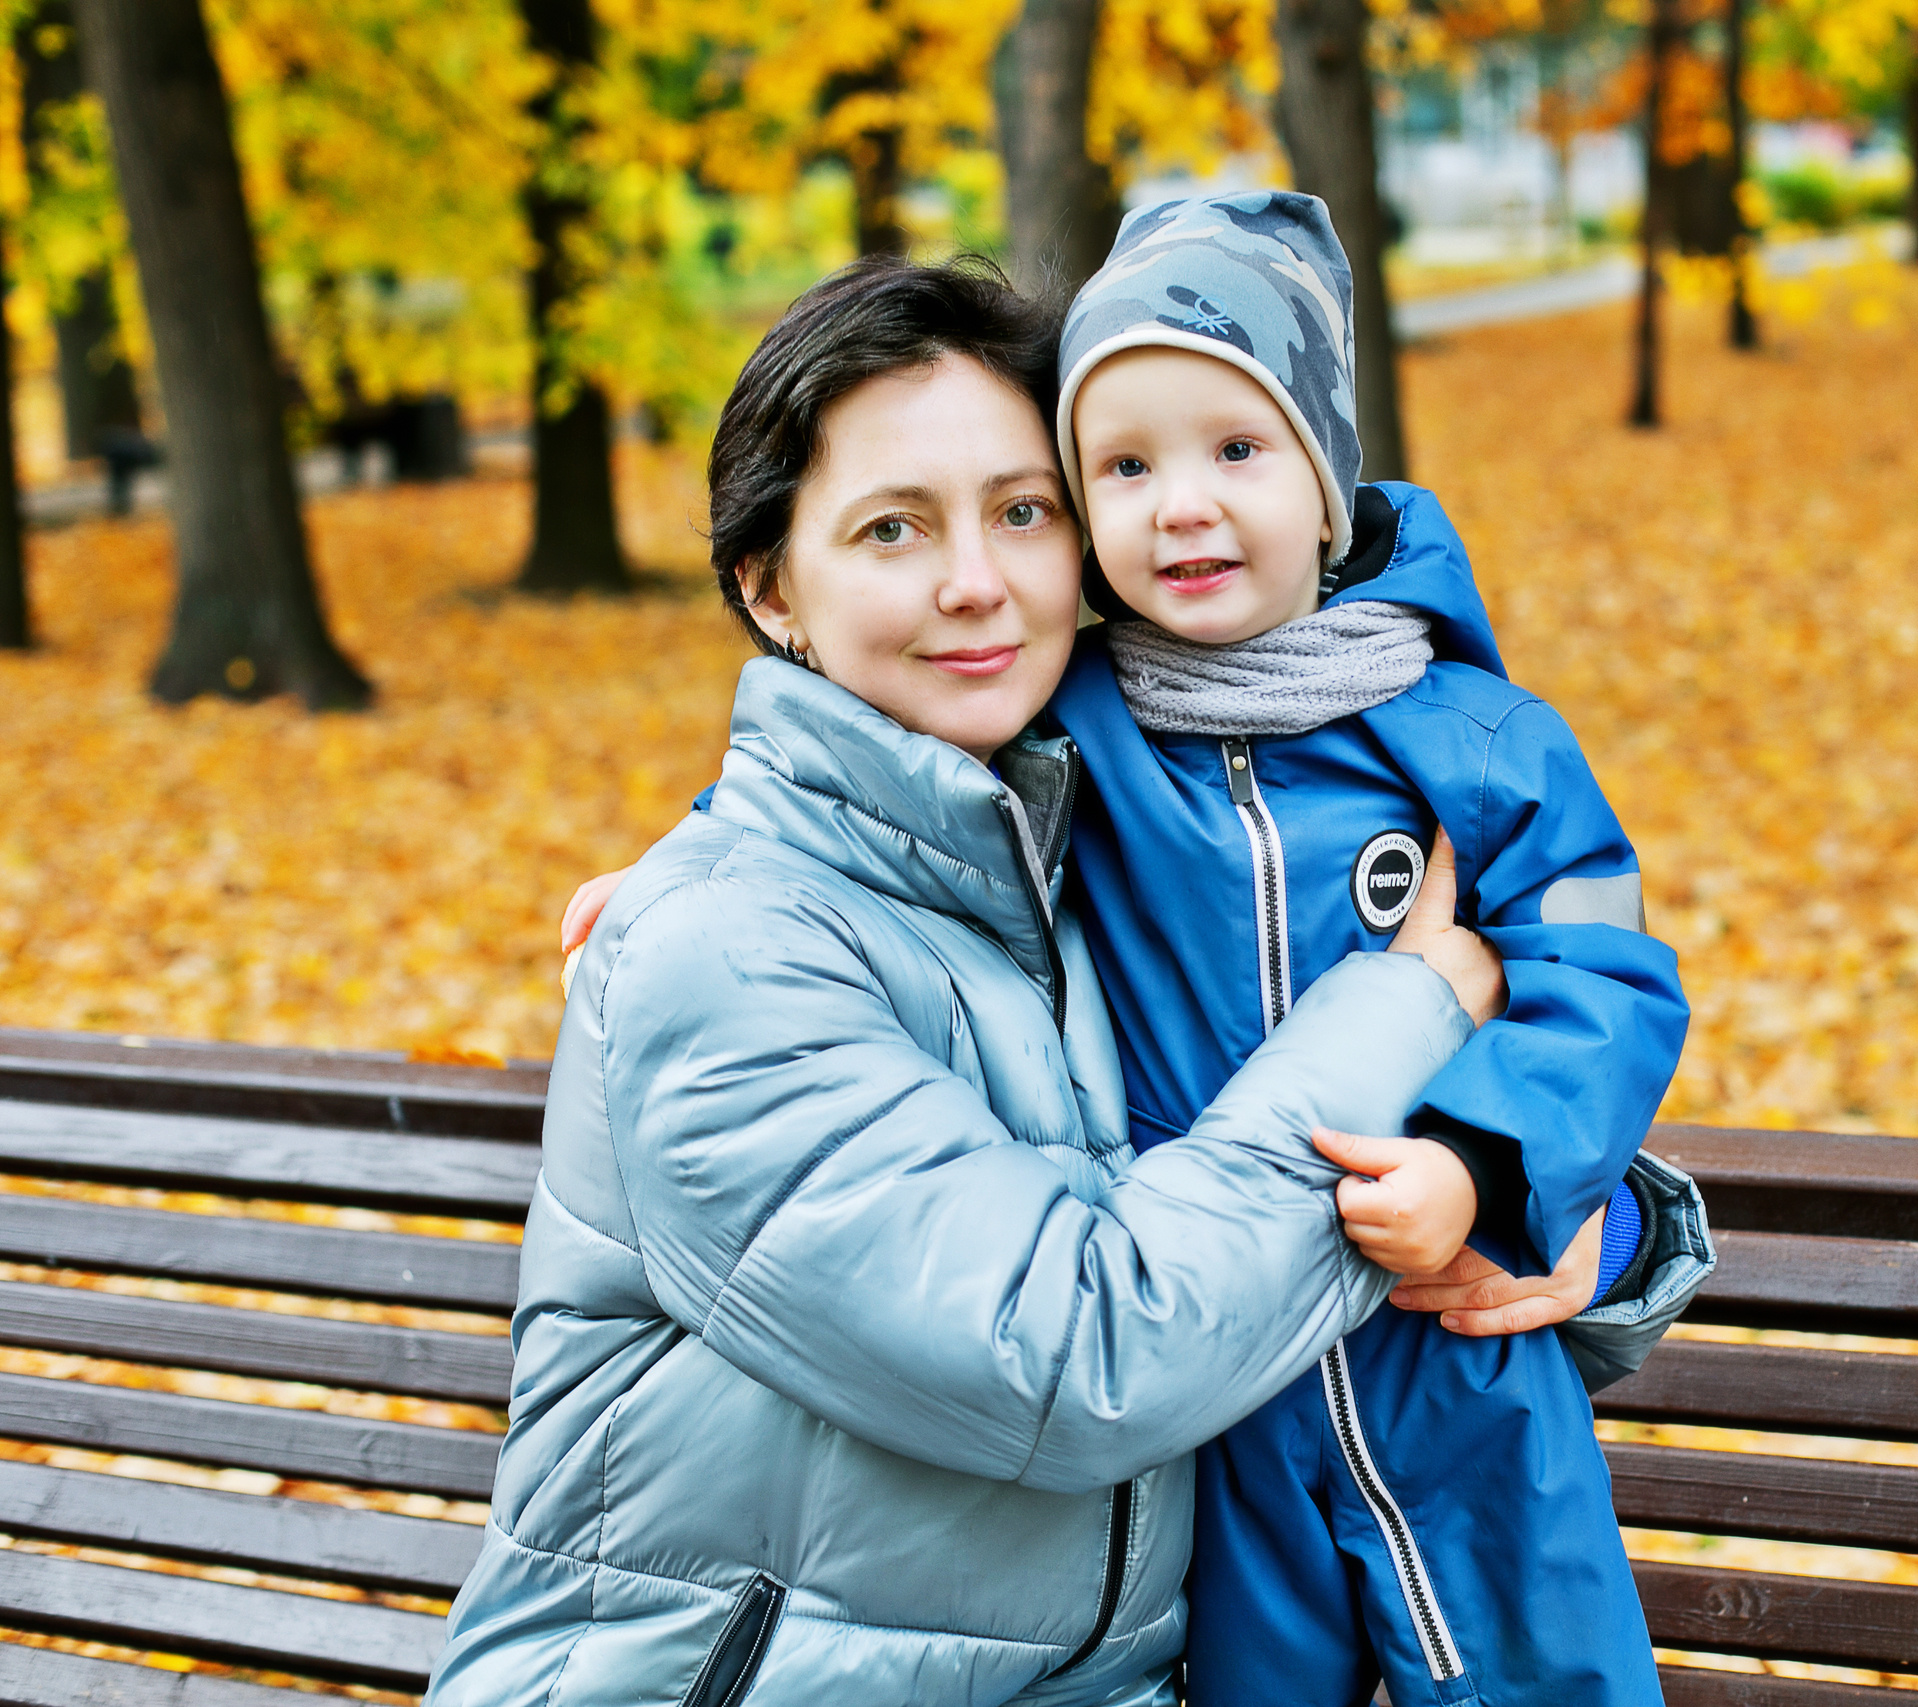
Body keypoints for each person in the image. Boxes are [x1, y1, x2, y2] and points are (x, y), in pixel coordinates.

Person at [428, 260, 1546, 1707]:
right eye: (893, 528)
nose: (978, 583)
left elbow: (1284, 1182)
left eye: (1024, 512)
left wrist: (1548, 1208)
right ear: (771, 588)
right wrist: (1414, 1005)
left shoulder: (1103, 879)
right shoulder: (716, 952)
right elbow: (1084, 1362)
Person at [1045, 190, 1705, 1707]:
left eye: (1235, 449)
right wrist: (697, 858)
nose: (1182, 504)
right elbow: (882, 790)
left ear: (1328, 481)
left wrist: (1483, 1164)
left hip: (1456, 1337)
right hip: (1219, 1377)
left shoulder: (1471, 736)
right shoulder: (1070, 732)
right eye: (1124, 465)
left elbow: (1600, 976)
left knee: (1547, 1672)